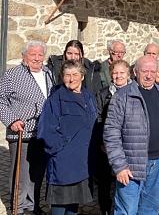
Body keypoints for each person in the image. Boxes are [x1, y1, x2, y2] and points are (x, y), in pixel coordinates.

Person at [104, 55, 159, 215]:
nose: (149, 75)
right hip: (131, 164)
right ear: (135, 72)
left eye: (152, 71)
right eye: (144, 71)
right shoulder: (121, 97)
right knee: (127, 210)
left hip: (158, 163)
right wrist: (119, 166)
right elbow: (111, 134)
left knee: (150, 210)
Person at [38, 60, 98, 215]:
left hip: (82, 160)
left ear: (82, 76)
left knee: (73, 206)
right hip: (63, 161)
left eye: (75, 74)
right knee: (60, 206)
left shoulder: (89, 96)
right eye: (67, 75)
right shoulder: (55, 99)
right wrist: (59, 150)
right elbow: (46, 130)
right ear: (62, 76)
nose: (71, 79)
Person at [0, 40, 51, 215]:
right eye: (33, 54)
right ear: (24, 56)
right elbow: (0, 100)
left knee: (37, 173)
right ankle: (18, 207)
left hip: (43, 133)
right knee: (20, 174)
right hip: (21, 132)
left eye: (40, 55)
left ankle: (33, 204)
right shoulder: (13, 75)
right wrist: (12, 120)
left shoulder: (48, 73)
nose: (37, 58)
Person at [95, 59, 131, 215]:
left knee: (124, 180)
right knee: (104, 179)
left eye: (122, 72)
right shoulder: (103, 94)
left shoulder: (135, 92)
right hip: (107, 144)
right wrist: (102, 142)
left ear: (128, 74)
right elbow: (97, 118)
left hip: (129, 145)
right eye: (115, 73)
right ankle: (105, 209)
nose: (118, 76)